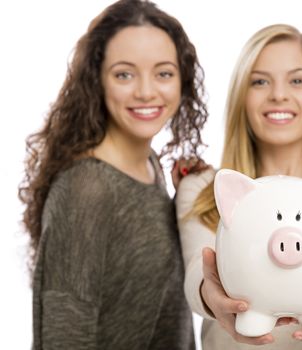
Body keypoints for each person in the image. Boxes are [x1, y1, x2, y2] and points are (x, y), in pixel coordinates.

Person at [176, 24, 302, 349]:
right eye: (259, 81)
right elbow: (195, 275)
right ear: (241, 95)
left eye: (297, 80)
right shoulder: (204, 186)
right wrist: (211, 294)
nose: (278, 94)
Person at [18, 0, 208, 348]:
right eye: (124, 74)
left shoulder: (149, 166)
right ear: (97, 82)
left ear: (181, 81)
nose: (146, 91)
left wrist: (185, 199)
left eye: (163, 73)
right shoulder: (86, 189)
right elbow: (65, 335)